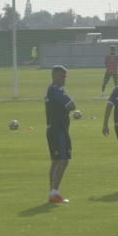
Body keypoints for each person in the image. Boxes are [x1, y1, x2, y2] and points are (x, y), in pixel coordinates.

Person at [44, 65, 76, 204]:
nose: (64, 79)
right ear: (55, 75)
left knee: (56, 161)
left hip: (52, 129)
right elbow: (71, 105)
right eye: (63, 76)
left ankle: (53, 192)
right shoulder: (56, 89)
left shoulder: (51, 90)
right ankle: (54, 192)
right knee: (63, 160)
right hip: (59, 130)